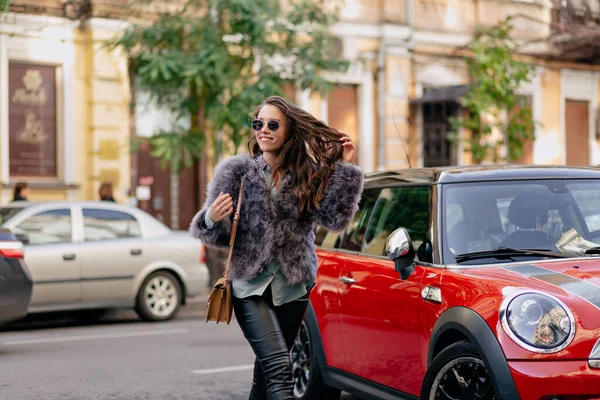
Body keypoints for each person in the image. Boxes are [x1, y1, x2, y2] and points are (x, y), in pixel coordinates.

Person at [190, 96, 363, 400]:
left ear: (288, 131)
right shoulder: (236, 172)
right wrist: (211, 218)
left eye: (272, 124)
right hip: (249, 286)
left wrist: (344, 169)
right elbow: (213, 234)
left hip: (293, 286)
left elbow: (334, 219)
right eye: (258, 124)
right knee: (281, 368)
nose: (263, 130)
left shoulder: (306, 173)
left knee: (265, 373)